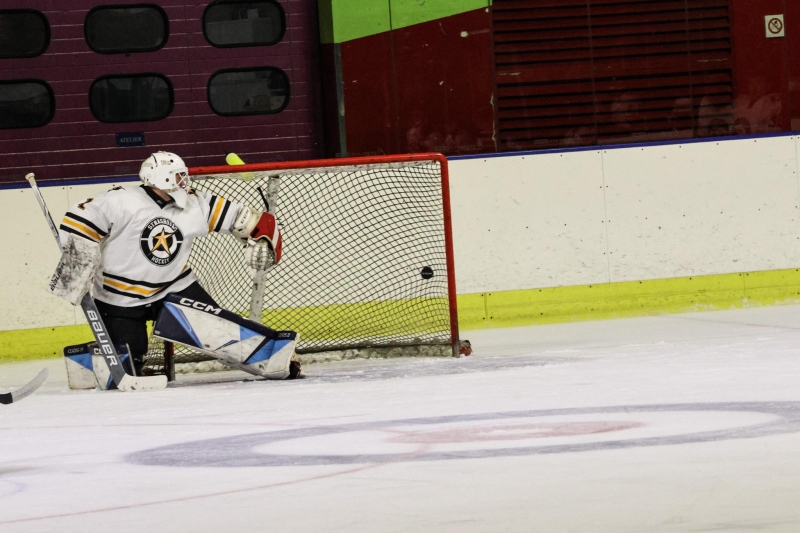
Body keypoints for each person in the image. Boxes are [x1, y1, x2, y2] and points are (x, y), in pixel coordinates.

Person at [49, 151, 298, 378]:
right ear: (160, 177)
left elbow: (250, 219)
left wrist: (262, 238)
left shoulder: (195, 202)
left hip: (175, 287)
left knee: (222, 334)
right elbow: (76, 224)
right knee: (125, 366)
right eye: (177, 176)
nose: (183, 181)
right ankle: (88, 362)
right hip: (118, 297)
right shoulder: (119, 201)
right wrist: (77, 266)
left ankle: (278, 360)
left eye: (182, 175)